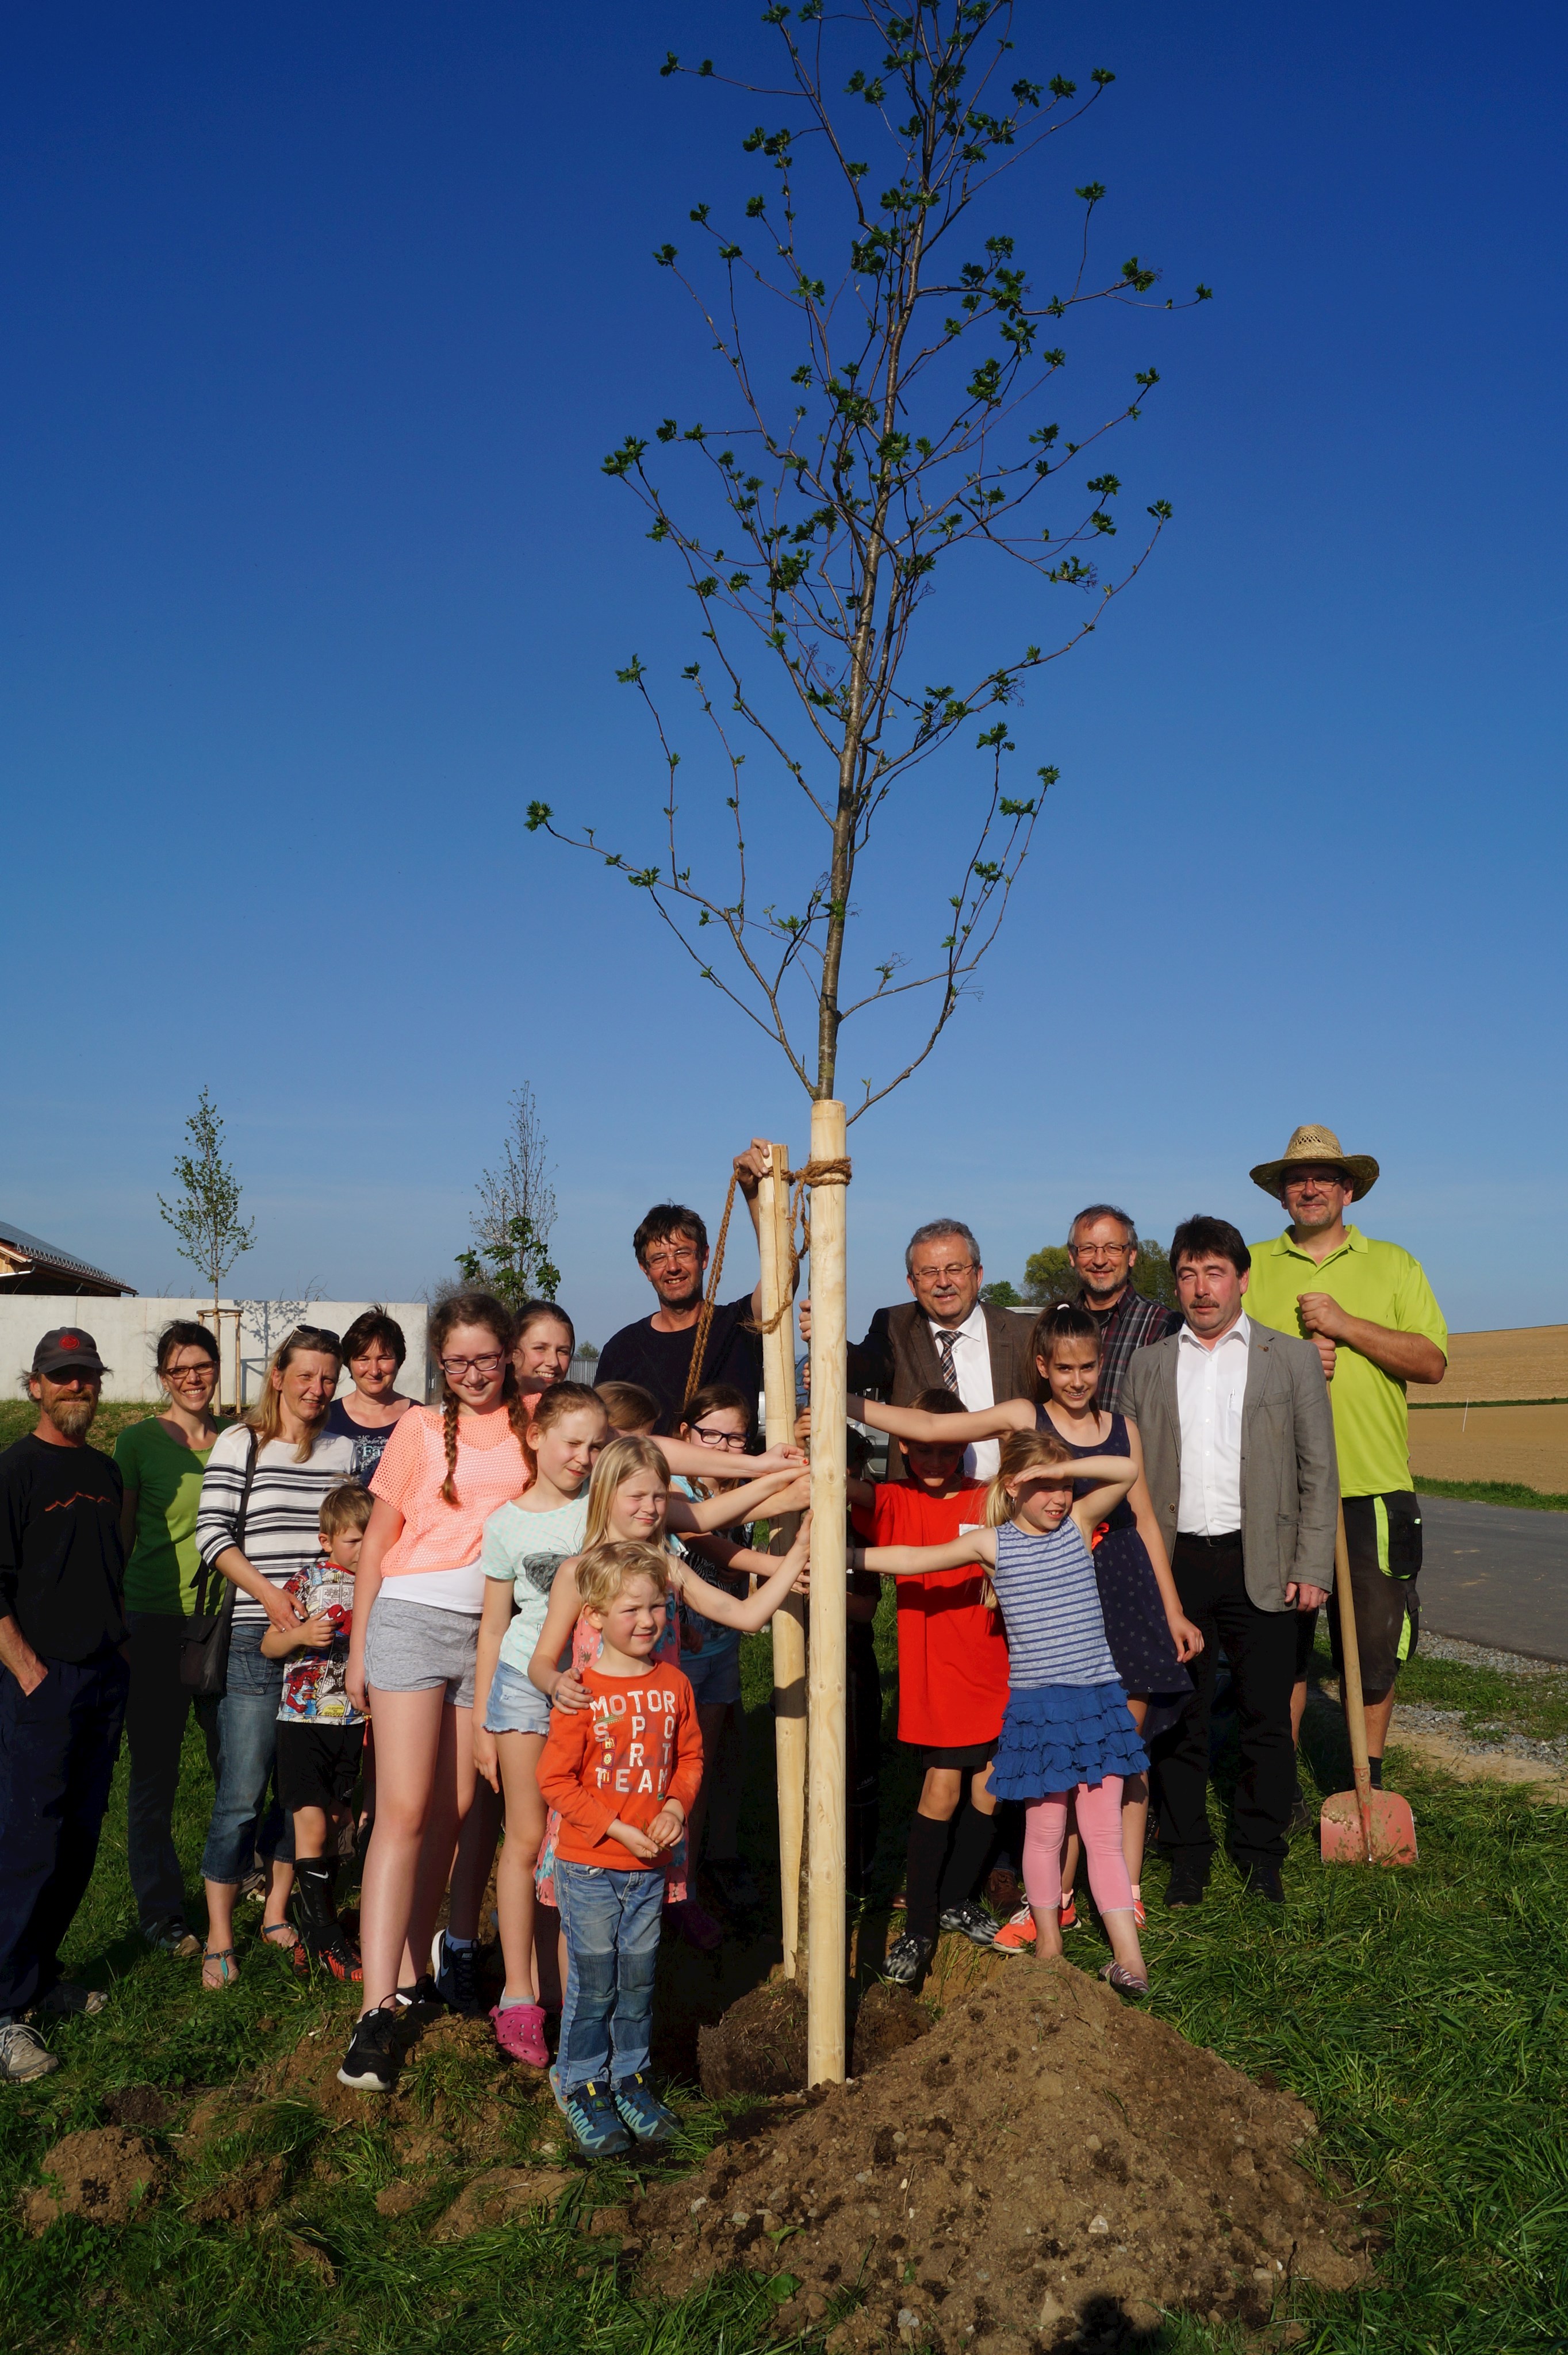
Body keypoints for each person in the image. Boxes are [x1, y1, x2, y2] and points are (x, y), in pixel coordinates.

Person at [848, 1305, 1202, 1939]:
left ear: (1101, 1365)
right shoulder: (1022, 1421)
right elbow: (929, 1428)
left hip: (1117, 1586)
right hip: (1043, 1601)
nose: (1075, 1378)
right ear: (1043, 1366)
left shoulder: (1120, 1429)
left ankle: (1120, 1888)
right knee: (1041, 1765)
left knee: (1115, 1751)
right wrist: (843, 1401)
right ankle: (1053, 1894)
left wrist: (1172, 1607)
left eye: (1087, 1366)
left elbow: (1144, 1514)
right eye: (1063, 1367)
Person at [849, 1428, 1152, 1996]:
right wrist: (844, 1556)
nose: (1058, 1497)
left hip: (1096, 1704)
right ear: (1011, 1486)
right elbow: (914, 1559)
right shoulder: (993, 1543)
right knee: (1044, 1831)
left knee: (1102, 1832)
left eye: (1064, 1485)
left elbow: (1127, 1471)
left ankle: (1130, 1962)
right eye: (1042, 1487)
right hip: (1038, 1711)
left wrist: (1063, 1461)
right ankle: (1048, 1944)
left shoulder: (1078, 1525)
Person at [338, 1292, 534, 2092]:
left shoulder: (533, 1420)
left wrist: (763, 1461)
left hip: (486, 1639)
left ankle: (413, 1969)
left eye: (486, 1358)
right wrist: (357, 1650)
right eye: (456, 1362)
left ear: (511, 1354)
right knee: (405, 1811)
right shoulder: (418, 1429)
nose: (473, 1374)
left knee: (455, 1811)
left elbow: (633, 1447)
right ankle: (373, 2011)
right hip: (412, 1623)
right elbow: (379, 1542)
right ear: (439, 1364)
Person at [1123, 1218, 1337, 1905]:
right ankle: (1187, 1854)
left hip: (1265, 1561)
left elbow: (1318, 1470)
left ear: (1242, 1279)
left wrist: (1312, 1564)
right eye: (1187, 1274)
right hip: (1178, 1563)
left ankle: (1260, 1853)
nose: (1201, 1288)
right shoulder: (1151, 1364)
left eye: (1214, 1272)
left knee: (1266, 1716)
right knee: (1180, 1716)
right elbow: (1129, 1476)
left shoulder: (1290, 1359)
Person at [527, 1436, 810, 1951]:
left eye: (659, 1496)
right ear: (605, 1494)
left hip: (653, 1768)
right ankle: (574, 2020)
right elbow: (542, 1659)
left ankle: (636, 2017)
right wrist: (555, 1682)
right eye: (636, 1496)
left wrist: (797, 1557)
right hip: (595, 1761)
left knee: (640, 1917)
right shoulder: (579, 1573)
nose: (650, 1508)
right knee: (583, 1914)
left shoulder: (668, 1568)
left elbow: (744, 1616)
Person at [1243, 1126, 1448, 1793]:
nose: (1310, 1188)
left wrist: (1345, 1325)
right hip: (1282, 1490)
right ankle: (1282, 1792)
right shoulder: (1251, 1266)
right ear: (1281, 1196)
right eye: (1297, 1180)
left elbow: (1431, 1362)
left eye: (1324, 1178)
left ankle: (1368, 1782)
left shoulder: (1395, 1264)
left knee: (1375, 1646)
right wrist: (1292, 1360)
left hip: (1374, 1485)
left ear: (1347, 1189)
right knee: (1283, 1649)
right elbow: (1219, 1363)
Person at [193, 1325, 354, 1988]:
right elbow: (212, 1534)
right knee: (240, 1792)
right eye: (306, 1375)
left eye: (328, 1378)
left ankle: (279, 1911)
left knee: (300, 1794)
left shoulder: (342, 1449)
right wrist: (270, 1595)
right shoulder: (242, 1442)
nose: (318, 1389)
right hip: (258, 1641)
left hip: (322, 1660)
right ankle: (219, 1930)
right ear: (279, 1376)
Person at [535, 1540, 705, 2156]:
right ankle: (580, 2083)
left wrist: (674, 1807)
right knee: (595, 1978)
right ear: (596, 1616)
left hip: (650, 1869)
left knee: (638, 1977)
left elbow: (690, 1758)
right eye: (631, 1608)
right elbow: (554, 1780)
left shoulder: (675, 1685)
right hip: (591, 1865)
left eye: (657, 1606)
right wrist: (613, 1826)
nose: (647, 1620)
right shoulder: (582, 1691)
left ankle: (630, 2079)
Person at [0, 1329, 129, 2082]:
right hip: (40, 1684)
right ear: (36, 1387)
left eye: (86, 1376)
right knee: (27, 1842)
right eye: (63, 1377)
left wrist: (120, 1652)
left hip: (102, 1676)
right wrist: (27, 1671)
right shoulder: (15, 1471)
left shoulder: (105, 1472)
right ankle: (5, 2011)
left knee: (79, 1837)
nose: (76, 1388)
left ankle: (40, 1977)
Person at [471, 1380, 609, 2065]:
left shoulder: (604, 1510)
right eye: (571, 1442)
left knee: (573, 1842)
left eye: (595, 1445)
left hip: (593, 1698)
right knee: (526, 1837)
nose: (583, 1458)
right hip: (522, 1696)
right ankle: (519, 1993)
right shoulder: (506, 1524)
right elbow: (495, 1626)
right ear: (534, 1436)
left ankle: (567, 1988)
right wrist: (478, 1726)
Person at [846, 1389, 1004, 1985]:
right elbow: (844, 1487)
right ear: (903, 1444)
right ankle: (918, 1927)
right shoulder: (894, 1498)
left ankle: (958, 1897)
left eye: (947, 1450)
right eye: (922, 1450)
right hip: (937, 1674)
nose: (935, 1463)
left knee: (992, 1783)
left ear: (967, 1444)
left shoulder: (991, 1498)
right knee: (941, 1787)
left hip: (997, 1665)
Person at [116, 1319, 227, 1957]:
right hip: (154, 1622)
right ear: (164, 1376)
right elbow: (122, 1537)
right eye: (179, 1368)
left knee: (232, 1764)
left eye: (201, 1364)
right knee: (154, 1774)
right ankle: (161, 1912)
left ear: (216, 1367)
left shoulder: (239, 1437)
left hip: (220, 1624)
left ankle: (231, 1877)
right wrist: (119, 1623)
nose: (191, 1377)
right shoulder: (136, 1443)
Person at [592, 1141, 783, 1433]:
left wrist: (753, 1194)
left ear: (704, 1257)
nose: (672, 1267)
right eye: (659, 1259)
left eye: (683, 1253)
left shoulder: (738, 1327)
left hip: (735, 1478)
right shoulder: (621, 1350)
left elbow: (782, 1281)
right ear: (645, 1270)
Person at [262, 1480, 372, 1981]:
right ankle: (328, 1941)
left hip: (356, 1723)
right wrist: (302, 1635)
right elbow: (268, 1644)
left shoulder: (382, 1580)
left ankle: (316, 1927)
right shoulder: (306, 1580)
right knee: (309, 1825)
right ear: (327, 1540)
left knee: (335, 1823)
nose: (366, 1548)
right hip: (303, 1721)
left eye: (373, 1538)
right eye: (355, 1539)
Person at [838, 1219, 1036, 1482]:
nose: (943, 1282)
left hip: (1009, 1503)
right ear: (912, 1283)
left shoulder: (1023, 1333)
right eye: (929, 1273)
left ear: (977, 1275)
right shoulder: (894, 1327)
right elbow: (862, 1367)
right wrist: (829, 1341)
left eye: (955, 1269)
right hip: (923, 1505)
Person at [1064, 1205, 1182, 1414]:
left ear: (1132, 1256)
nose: (1100, 1260)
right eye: (1088, 1249)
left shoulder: (1165, 1326)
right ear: (1073, 1257)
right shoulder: (1058, 1323)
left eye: (1113, 1248)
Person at [324, 1309, 415, 1486]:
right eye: (363, 1359)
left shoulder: (422, 1420)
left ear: (399, 1360)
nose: (374, 1371)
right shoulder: (325, 1419)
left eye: (384, 1358)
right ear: (348, 1363)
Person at [512, 1300, 577, 1403]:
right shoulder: (486, 1415)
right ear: (512, 1352)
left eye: (562, 1351)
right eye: (540, 1348)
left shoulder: (580, 1416)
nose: (554, 1362)